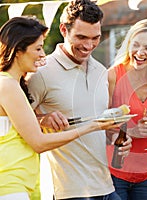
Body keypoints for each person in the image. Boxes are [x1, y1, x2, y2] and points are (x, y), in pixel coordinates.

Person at [0, 16, 117, 200]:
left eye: (95, 38)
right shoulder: (7, 85)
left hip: (25, 182)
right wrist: (93, 126)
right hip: (10, 183)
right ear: (18, 51)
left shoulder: (14, 84)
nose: (42, 54)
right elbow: (38, 142)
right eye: (38, 48)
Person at [27, 0, 131, 199]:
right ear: (64, 30)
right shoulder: (40, 72)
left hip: (105, 186)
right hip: (67, 191)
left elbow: (96, 125)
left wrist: (116, 138)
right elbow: (15, 123)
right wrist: (41, 119)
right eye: (81, 37)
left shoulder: (101, 71)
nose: (88, 45)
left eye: (95, 38)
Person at [106, 19, 147, 200]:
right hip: (115, 172)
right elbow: (101, 127)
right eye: (135, 45)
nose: (140, 53)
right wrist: (132, 131)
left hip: (146, 174)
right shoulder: (113, 76)